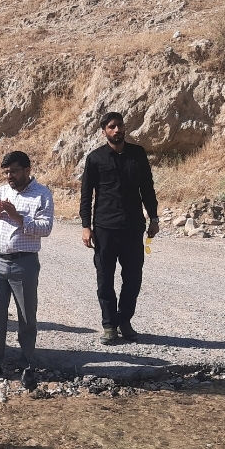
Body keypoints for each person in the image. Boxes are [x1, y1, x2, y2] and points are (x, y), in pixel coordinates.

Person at [0, 151, 54, 390]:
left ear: (27, 170)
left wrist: (18, 217)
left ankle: (27, 366)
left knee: (26, 318)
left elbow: (46, 228)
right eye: (6, 172)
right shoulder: (2, 191)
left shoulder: (42, 194)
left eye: (14, 171)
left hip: (24, 263)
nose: (9, 176)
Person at [80, 111, 159, 344]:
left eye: (120, 125)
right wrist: (86, 226)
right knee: (105, 278)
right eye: (112, 127)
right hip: (105, 228)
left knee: (133, 278)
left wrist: (154, 218)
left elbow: (147, 188)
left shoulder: (138, 154)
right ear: (104, 131)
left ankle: (125, 320)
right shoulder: (95, 158)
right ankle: (109, 325)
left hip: (133, 227)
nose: (117, 130)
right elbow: (86, 195)